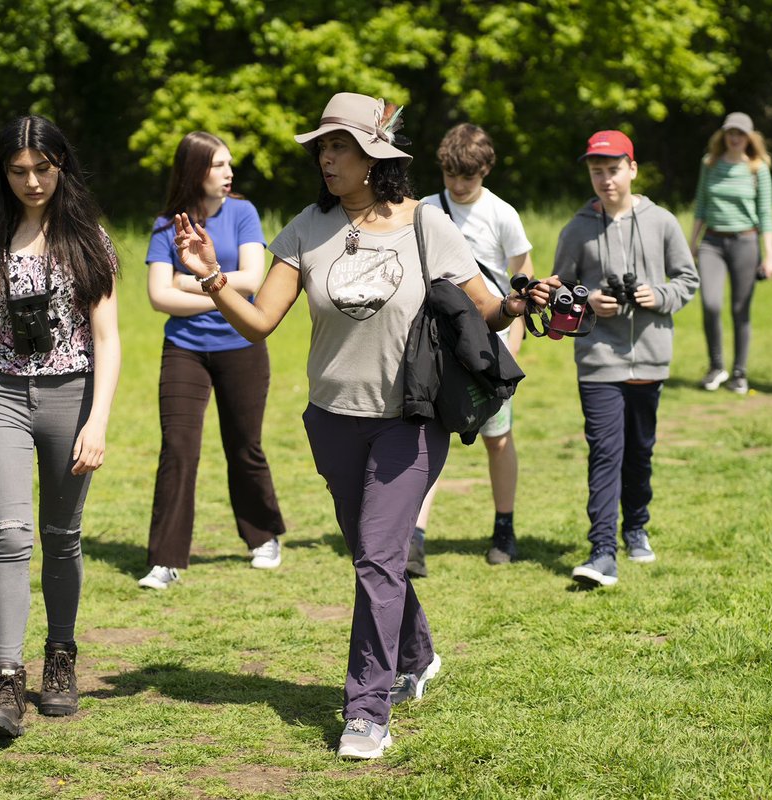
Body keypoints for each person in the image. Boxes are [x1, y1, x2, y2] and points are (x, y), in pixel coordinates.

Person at [167, 92, 551, 759]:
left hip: (410, 418)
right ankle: (420, 653)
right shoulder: (304, 230)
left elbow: (489, 309)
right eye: (322, 146)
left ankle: (367, 710)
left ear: (375, 156)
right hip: (332, 422)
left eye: (338, 145)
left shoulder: (429, 225)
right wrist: (210, 280)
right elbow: (260, 321)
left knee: (377, 557)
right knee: (377, 557)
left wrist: (526, 297)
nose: (326, 157)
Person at [0, 115, 120, 737]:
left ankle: (61, 658)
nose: (31, 181)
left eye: (41, 169)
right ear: (2, 174)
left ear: (60, 167)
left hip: (71, 397)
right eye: (18, 171)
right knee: (10, 537)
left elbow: (108, 338)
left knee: (61, 536)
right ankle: (6, 679)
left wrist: (97, 421)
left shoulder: (89, 241)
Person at [137, 132, 286, 591]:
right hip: (184, 349)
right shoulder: (167, 226)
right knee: (178, 449)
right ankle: (165, 560)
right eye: (219, 165)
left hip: (242, 345)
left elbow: (254, 278)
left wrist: (191, 283)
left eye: (229, 164)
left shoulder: (243, 213)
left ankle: (264, 536)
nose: (229, 173)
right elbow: (159, 297)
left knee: (245, 445)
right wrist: (219, 290)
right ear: (195, 170)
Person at [552, 130, 698, 589]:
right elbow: (558, 292)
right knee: (604, 452)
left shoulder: (663, 222)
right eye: (597, 171)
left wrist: (659, 294)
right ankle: (602, 552)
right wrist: (589, 301)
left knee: (639, 452)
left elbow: (688, 279)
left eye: (613, 170)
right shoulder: (576, 229)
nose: (605, 179)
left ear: (632, 169)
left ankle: (635, 526)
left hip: (650, 357)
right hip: (598, 358)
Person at [408, 123, 536, 574]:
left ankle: (504, 527)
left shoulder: (503, 214)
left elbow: (522, 279)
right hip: (436, 347)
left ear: (485, 170)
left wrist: (512, 351)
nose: (459, 186)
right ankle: (415, 538)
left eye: (468, 177)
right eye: (450, 176)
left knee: (497, 441)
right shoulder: (424, 209)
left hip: (489, 346)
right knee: (427, 439)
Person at [689, 112, 772, 395]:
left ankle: (739, 372)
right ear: (724, 135)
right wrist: (691, 243)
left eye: (740, 133)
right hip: (712, 242)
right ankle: (716, 367)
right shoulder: (710, 163)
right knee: (711, 303)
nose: (735, 138)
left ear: (750, 137)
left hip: (745, 242)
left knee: (741, 309)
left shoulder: (757, 168)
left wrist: (770, 254)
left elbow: (765, 213)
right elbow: (701, 204)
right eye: (731, 133)